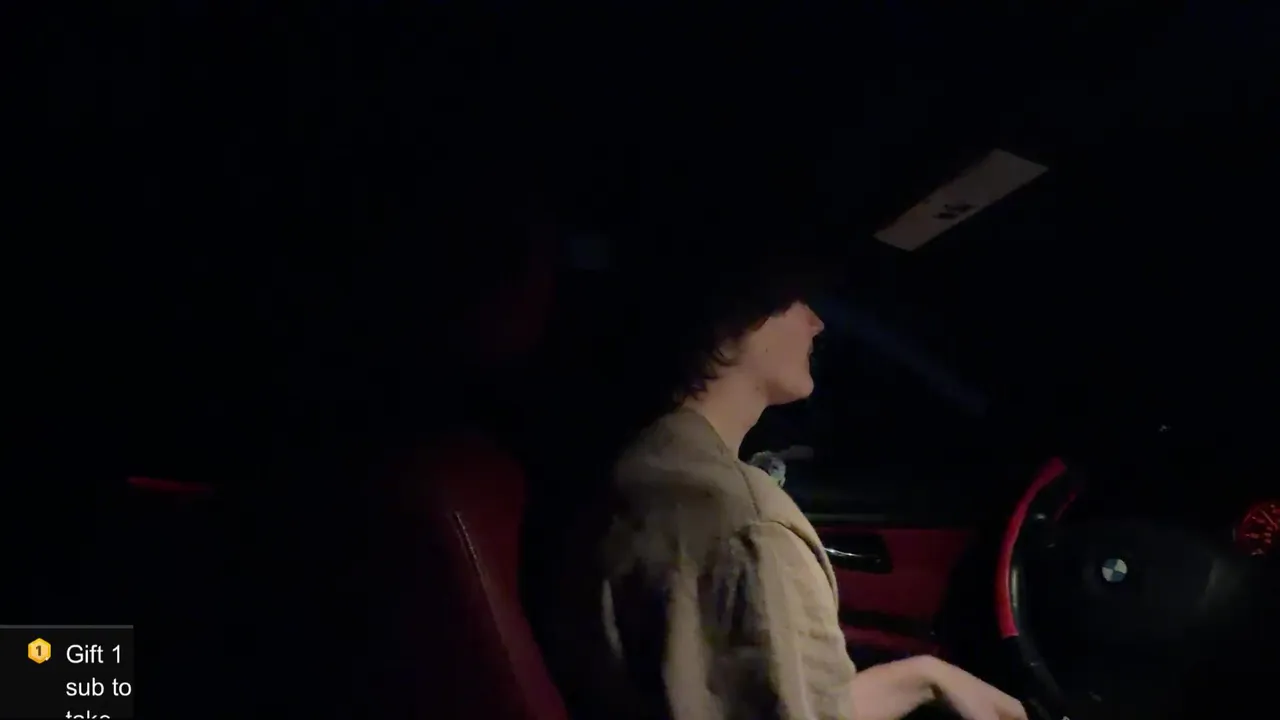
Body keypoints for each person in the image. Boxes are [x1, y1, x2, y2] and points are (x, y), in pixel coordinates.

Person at [522, 239, 1027, 720]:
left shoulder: (646, 465)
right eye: (796, 301)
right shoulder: (746, 528)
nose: (817, 322)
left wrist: (923, 678)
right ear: (738, 319)